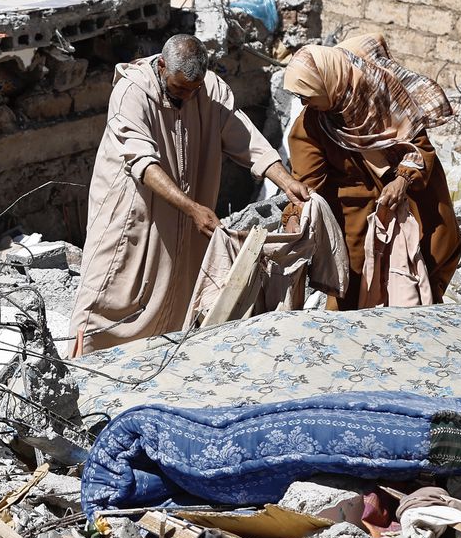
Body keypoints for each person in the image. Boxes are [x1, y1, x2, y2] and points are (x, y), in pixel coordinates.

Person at [70, 34, 311, 351]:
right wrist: (192, 208)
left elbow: (245, 139)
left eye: (193, 90)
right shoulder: (132, 93)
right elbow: (144, 162)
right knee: (112, 291)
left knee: (176, 292)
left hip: (184, 220)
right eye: (179, 88)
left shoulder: (208, 91)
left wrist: (285, 179)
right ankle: (82, 363)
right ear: (161, 66)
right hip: (135, 216)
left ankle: (156, 367)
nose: (186, 97)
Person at [283, 34, 461, 309]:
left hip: (409, 194)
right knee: (352, 283)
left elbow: (417, 144)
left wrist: (402, 180)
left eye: (308, 96)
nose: (306, 105)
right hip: (352, 209)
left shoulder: (378, 92)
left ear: (328, 83)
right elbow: (306, 181)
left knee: (424, 259)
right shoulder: (313, 123)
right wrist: (297, 213)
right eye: (301, 98)